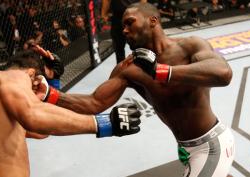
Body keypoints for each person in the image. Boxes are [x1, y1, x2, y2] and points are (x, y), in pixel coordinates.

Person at [43, 2, 235, 177]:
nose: (124, 30)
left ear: (153, 21)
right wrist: (49, 91)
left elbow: (223, 73)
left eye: (130, 23)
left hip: (211, 144)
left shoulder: (190, 46)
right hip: (185, 148)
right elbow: (94, 103)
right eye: (122, 26)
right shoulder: (129, 68)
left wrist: (161, 71)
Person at [0, 50, 141, 177]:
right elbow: (33, 115)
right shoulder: (12, 76)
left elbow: (42, 132)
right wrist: (104, 123)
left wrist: (52, 85)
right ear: (31, 73)